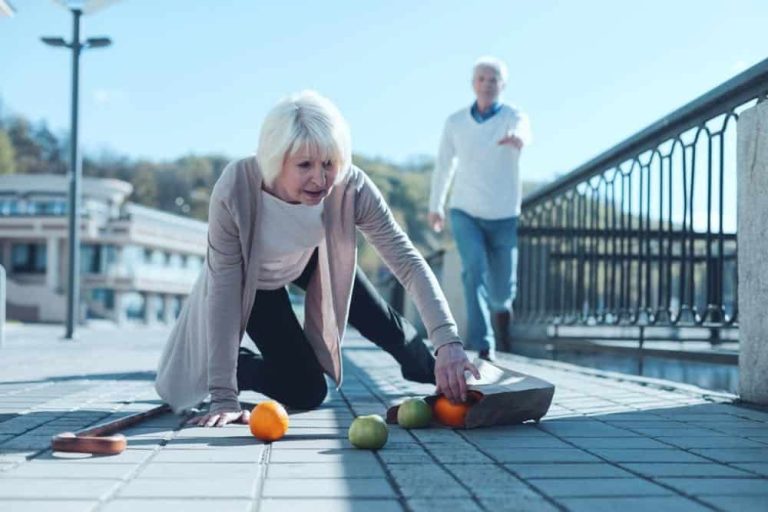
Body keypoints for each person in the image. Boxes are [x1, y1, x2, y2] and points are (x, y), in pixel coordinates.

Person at [155, 90, 480, 427]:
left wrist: (448, 342)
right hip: (253, 281)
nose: (321, 178)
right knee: (306, 391)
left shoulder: (351, 185)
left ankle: (447, 375)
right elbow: (223, 290)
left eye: (328, 163)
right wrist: (224, 393)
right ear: (275, 158)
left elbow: (408, 263)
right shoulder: (235, 187)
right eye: (305, 165)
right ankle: (238, 365)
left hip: (312, 258)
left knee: (390, 328)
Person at [428, 56, 532, 361]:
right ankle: (483, 344)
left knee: (501, 293)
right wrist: (436, 206)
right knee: (472, 271)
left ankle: (502, 317)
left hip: (503, 213)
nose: (487, 84)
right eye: (482, 79)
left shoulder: (514, 116)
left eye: (494, 79)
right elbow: (444, 166)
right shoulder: (456, 122)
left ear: (503, 85)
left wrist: (519, 138)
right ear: (473, 83)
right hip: (465, 210)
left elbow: (525, 130)